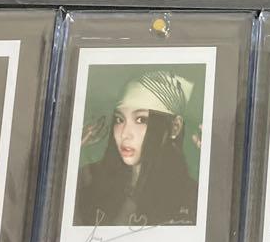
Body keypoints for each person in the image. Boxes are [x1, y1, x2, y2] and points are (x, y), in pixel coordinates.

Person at [74, 69, 198, 226]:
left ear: (175, 127)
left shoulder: (191, 196)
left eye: (141, 120)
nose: (124, 134)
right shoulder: (88, 179)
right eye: (119, 119)